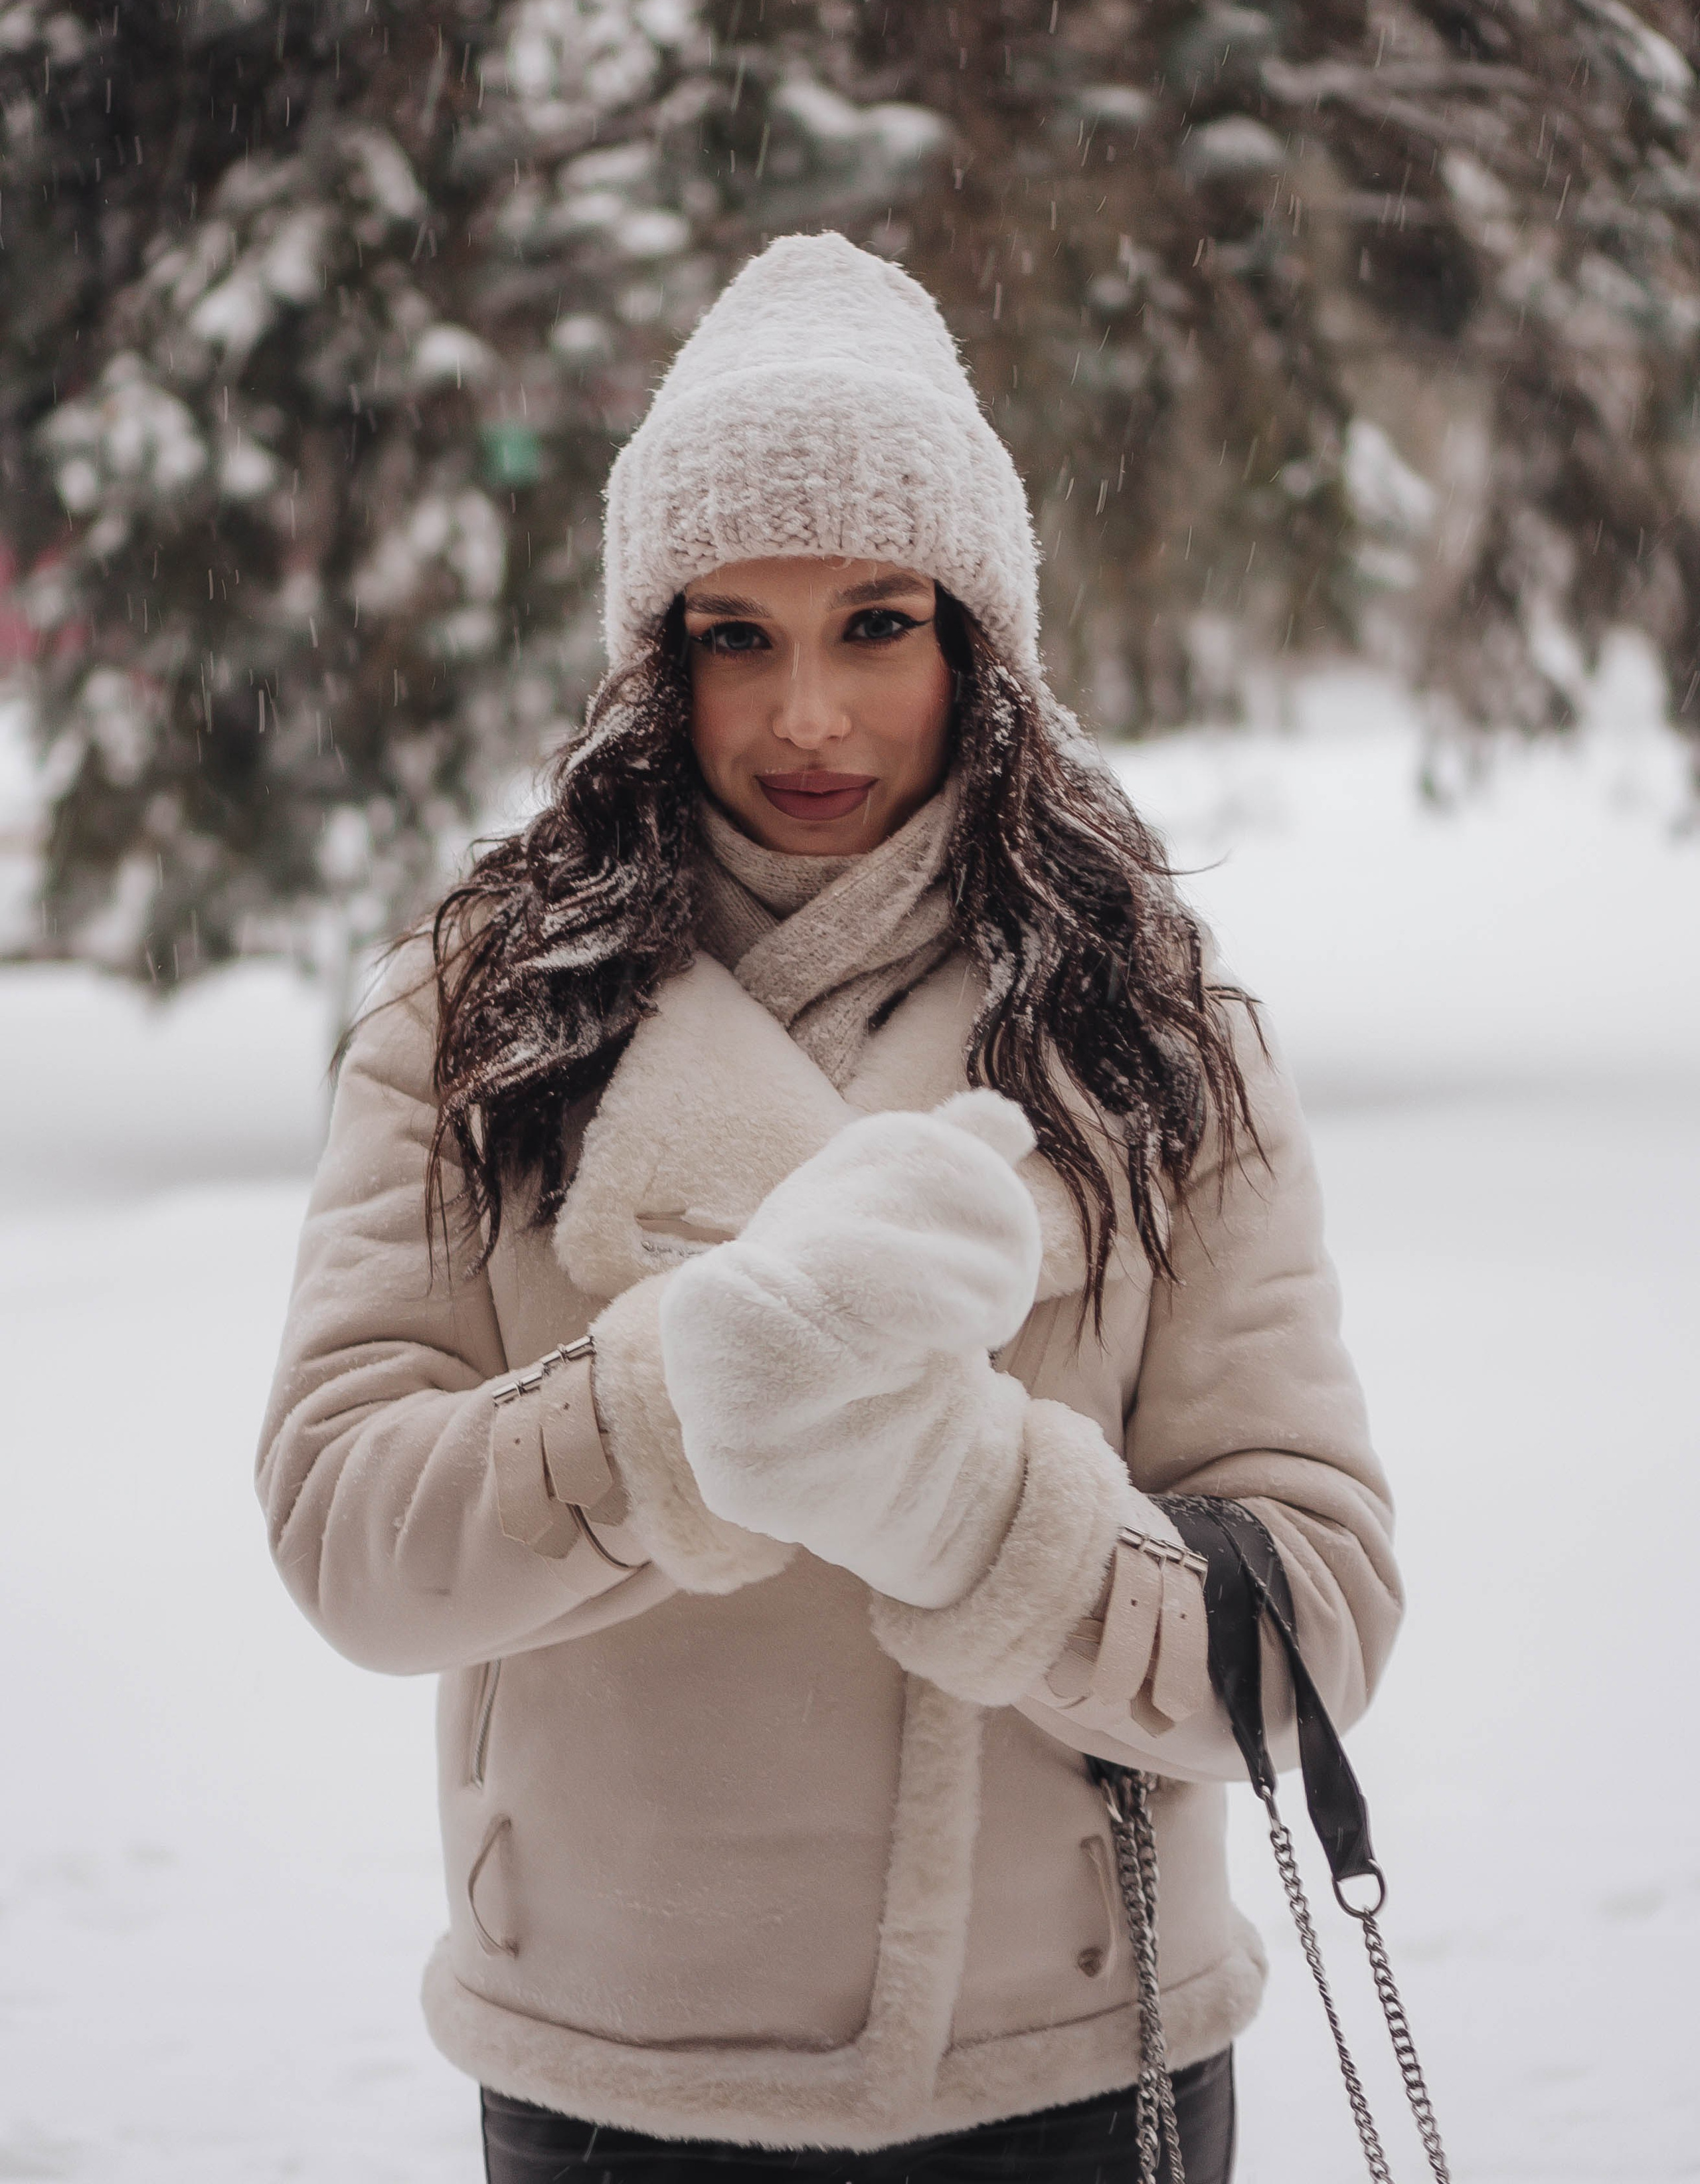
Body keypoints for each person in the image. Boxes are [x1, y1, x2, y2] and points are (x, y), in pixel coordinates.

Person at [258, 233, 1400, 2184]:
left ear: (978, 644)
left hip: (1071, 2072)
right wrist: (677, 1407)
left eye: (875, 625)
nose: (808, 718)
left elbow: (1313, 1618)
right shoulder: (479, 1009)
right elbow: (349, 1531)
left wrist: (967, 1504)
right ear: (653, 660)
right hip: (626, 2079)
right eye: (737, 636)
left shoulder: (1147, 1023)